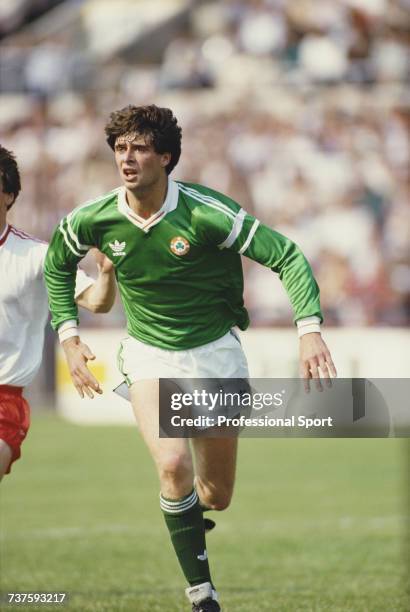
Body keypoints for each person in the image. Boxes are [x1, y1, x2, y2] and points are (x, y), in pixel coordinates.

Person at [44, 105, 336, 612]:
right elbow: (56, 264)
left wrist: (309, 331)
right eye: (119, 149)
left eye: (138, 148)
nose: (127, 159)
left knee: (216, 494)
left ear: (166, 156)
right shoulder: (94, 218)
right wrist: (69, 338)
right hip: (148, 354)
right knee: (173, 464)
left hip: (216, 354)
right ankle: (202, 592)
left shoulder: (205, 213)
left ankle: (184, 512)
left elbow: (286, 255)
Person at [0, 145, 116, 481]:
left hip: (4, 401)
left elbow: (97, 302)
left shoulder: (37, 256)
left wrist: (106, 273)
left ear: (8, 195)